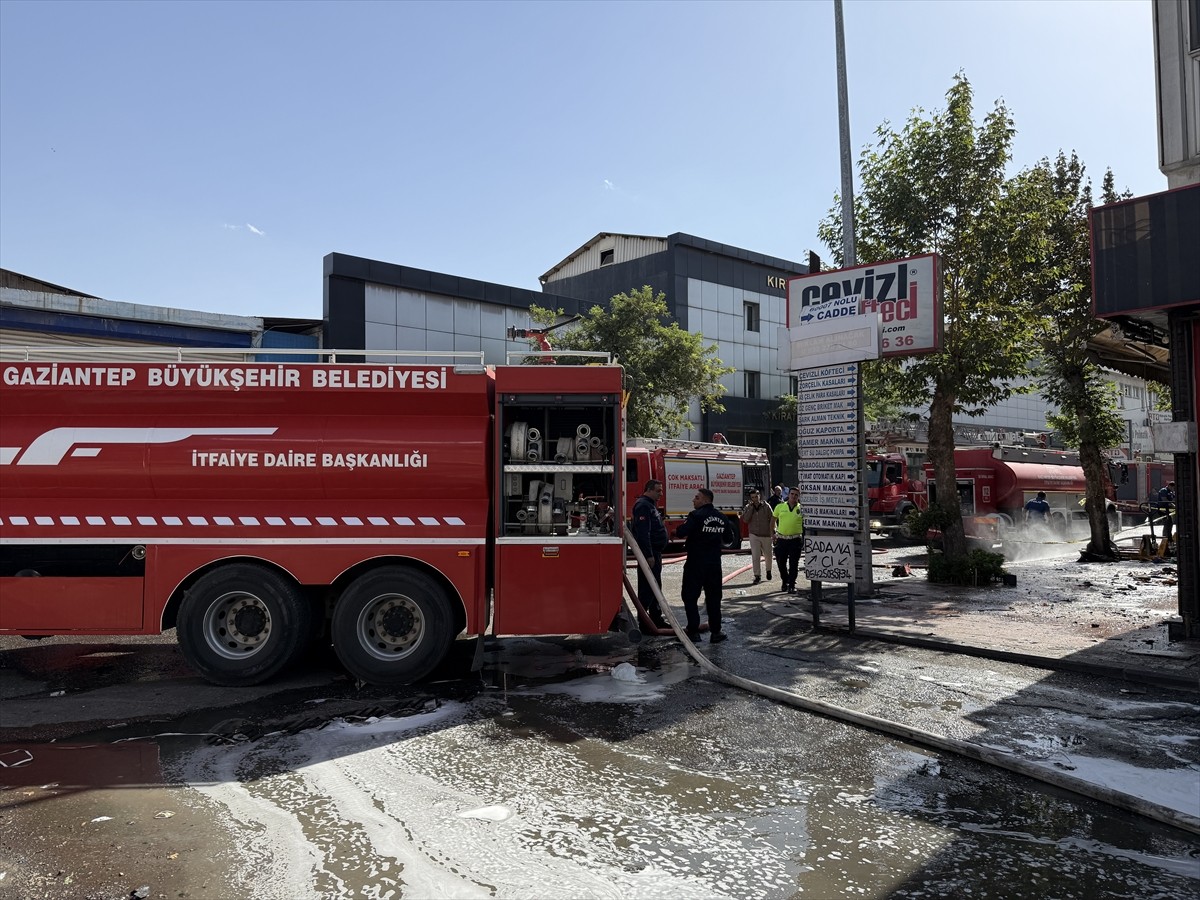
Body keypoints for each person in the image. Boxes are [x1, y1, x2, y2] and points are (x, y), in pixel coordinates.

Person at [676, 487, 730, 642]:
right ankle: (716, 632)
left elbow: (681, 532)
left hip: (696, 563)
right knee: (714, 597)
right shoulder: (722, 517)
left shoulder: (695, 516)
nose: (693, 500)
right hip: (714, 564)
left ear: (706, 500)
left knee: (690, 596)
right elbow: (727, 539)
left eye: (697, 498)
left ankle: (693, 630)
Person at [632, 479, 669, 628]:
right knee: (649, 587)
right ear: (649, 490)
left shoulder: (650, 505)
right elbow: (643, 533)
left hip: (655, 551)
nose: (661, 493)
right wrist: (648, 555)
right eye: (658, 490)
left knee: (655, 585)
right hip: (651, 553)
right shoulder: (643, 506)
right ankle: (646, 622)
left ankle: (655, 618)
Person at [772, 487, 804, 593]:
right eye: (792, 494)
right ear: (788, 495)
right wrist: (773, 533)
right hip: (782, 539)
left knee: (794, 564)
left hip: (795, 540)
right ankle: (784, 581)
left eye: (796, 495)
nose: (794, 496)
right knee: (781, 563)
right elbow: (773, 520)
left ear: (799, 497)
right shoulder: (780, 507)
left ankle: (791, 584)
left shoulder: (802, 508)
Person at [740, 488, 774, 584]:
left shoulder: (766, 506)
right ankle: (757, 575)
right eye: (753, 497)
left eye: (756, 497)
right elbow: (745, 520)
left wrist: (773, 532)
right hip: (754, 534)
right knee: (755, 556)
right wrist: (751, 508)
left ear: (759, 496)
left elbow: (772, 519)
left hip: (766, 534)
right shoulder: (748, 507)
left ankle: (768, 570)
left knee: (768, 555)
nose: (755, 499)